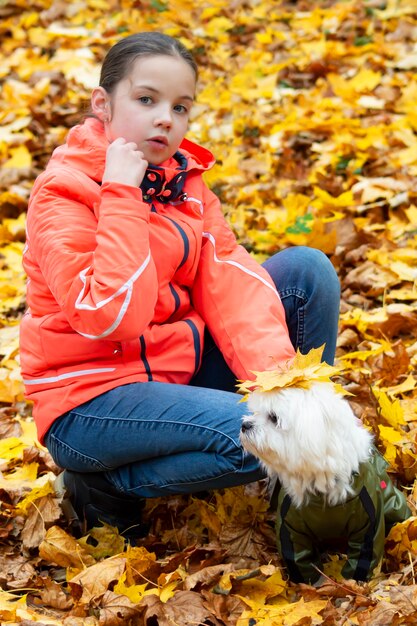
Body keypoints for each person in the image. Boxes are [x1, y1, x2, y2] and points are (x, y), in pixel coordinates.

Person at [20, 32, 341, 539]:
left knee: (305, 273)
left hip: (174, 375)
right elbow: (109, 317)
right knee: (265, 441)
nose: (165, 118)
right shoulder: (64, 194)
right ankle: (102, 485)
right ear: (102, 104)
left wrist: (289, 389)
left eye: (181, 106)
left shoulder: (182, 183)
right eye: (146, 100)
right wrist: (121, 193)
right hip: (90, 403)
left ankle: (302, 482)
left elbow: (232, 285)